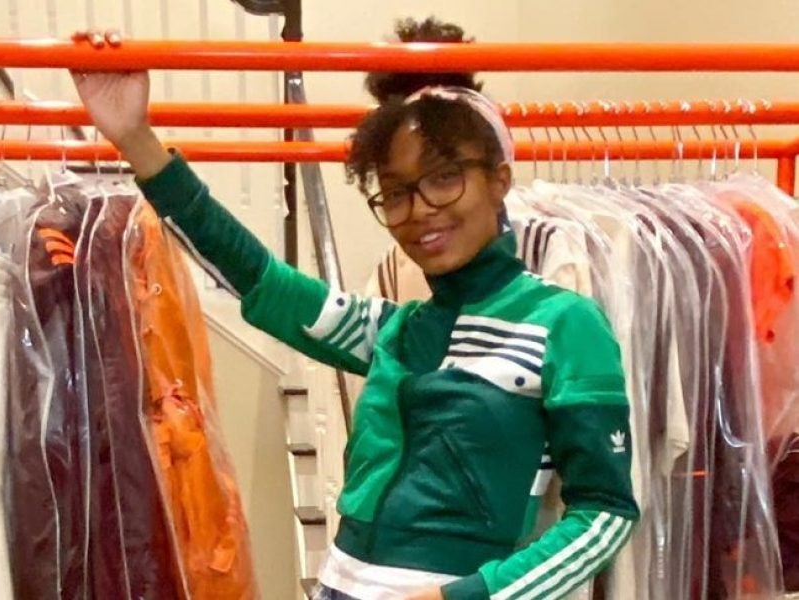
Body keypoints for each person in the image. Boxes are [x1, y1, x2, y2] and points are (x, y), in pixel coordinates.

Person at [72, 16, 639, 599]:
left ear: (499, 179)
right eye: (395, 193)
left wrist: (468, 595)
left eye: (444, 178)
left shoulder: (565, 324)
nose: (420, 210)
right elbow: (256, 275)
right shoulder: (395, 331)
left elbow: (606, 514)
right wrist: (135, 138)